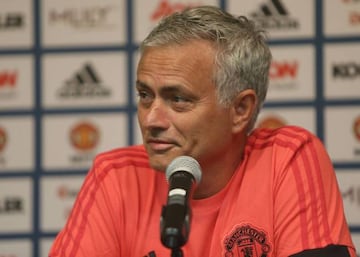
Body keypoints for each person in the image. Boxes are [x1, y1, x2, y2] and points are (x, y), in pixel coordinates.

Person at [49, 5, 356, 257]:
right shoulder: (116, 176)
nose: (151, 119)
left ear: (240, 110)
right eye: (145, 95)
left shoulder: (287, 159)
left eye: (178, 99)